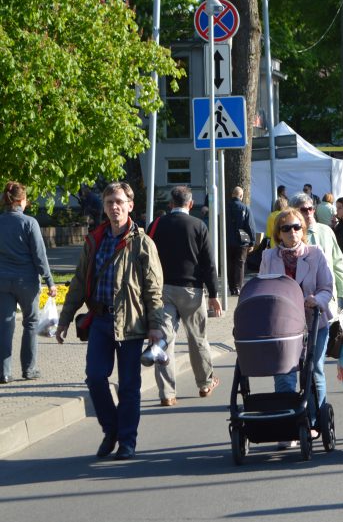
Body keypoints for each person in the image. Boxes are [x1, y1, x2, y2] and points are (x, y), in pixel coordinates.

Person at [55, 182, 168, 460]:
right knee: (95, 378)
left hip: (130, 323)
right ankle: (112, 429)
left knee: (129, 385)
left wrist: (155, 326)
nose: (114, 207)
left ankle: (127, 441)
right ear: (103, 207)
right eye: (109, 202)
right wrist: (65, 318)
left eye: (119, 202)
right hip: (100, 321)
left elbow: (154, 288)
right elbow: (80, 281)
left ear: (130, 205)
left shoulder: (142, 242)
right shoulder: (95, 239)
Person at [260, 208, 334, 448]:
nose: (292, 232)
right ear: (278, 233)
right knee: (284, 373)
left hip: (314, 322)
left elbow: (326, 288)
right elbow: (262, 287)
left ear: (303, 230)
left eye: (296, 227)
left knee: (313, 370)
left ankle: (313, 423)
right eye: (286, 228)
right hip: (283, 325)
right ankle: (288, 425)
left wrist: (317, 300)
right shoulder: (269, 257)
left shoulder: (315, 253)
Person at [147, 186, 222, 407]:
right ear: (191, 204)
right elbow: (208, 263)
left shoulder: (157, 225)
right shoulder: (199, 225)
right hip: (192, 290)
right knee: (197, 338)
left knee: (164, 340)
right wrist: (214, 293)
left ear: (170, 204)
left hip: (162, 290)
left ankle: (167, 394)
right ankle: (205, 383)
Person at [0, 181, 56, 383]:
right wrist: (50, 281)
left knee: (4, 326)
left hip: (2, 281)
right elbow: (40, 256)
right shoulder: (29, 222)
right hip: (27, 282)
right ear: (21, 201)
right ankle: (29, 369)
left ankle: (3, 372)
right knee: (31, 323)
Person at [226, 186, 255, 295]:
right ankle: (238, 287)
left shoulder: (225, 208)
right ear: (241, 196)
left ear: (232, 194)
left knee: (229, 263)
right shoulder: (245, 208)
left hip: (227, 240)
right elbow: (250, 226)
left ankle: (231, 286)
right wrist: (252, 241)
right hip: (242, 240)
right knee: (240, 264)